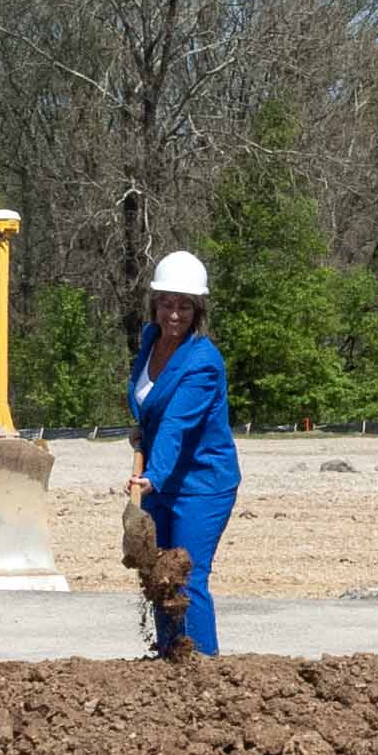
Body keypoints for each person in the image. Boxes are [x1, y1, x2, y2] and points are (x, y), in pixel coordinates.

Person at [124, 250, 239, 654]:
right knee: (160, 575)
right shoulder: (149, 340)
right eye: (167, 304)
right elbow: (148, 403)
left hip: (201, 484)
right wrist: (139, 428)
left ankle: (202, 669)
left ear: (198, 310)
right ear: (155, 304)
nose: (174, 314)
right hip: (162, 482)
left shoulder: (204, 362)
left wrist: (152, 475)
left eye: (185, 306)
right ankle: (170, 663)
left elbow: (176, 424)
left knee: (187, 576)